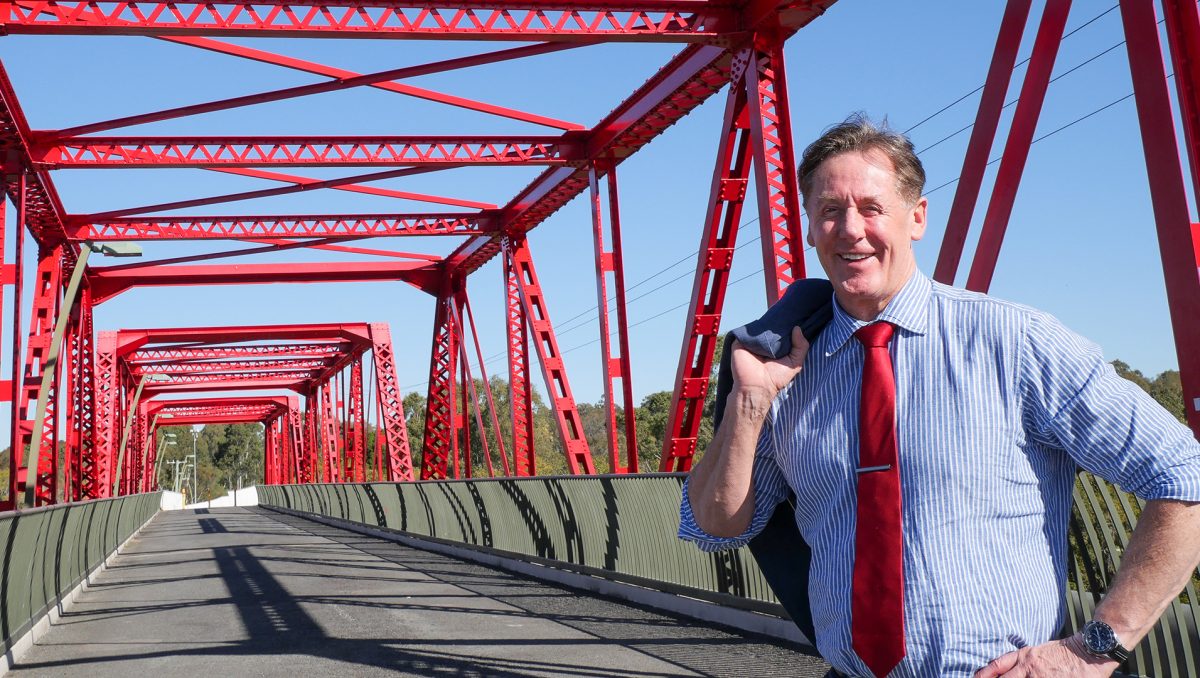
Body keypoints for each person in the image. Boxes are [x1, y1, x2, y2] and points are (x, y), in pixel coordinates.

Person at [678, 115, 1200, 677]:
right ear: (809, 227)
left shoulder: (1015, 341)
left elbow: (1183, 471)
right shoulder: (787, 368)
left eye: (872, 208)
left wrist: (1096, 648)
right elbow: (716, 524)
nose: (850, 228)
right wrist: (749, 401)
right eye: (829, 210)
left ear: (918, 218)